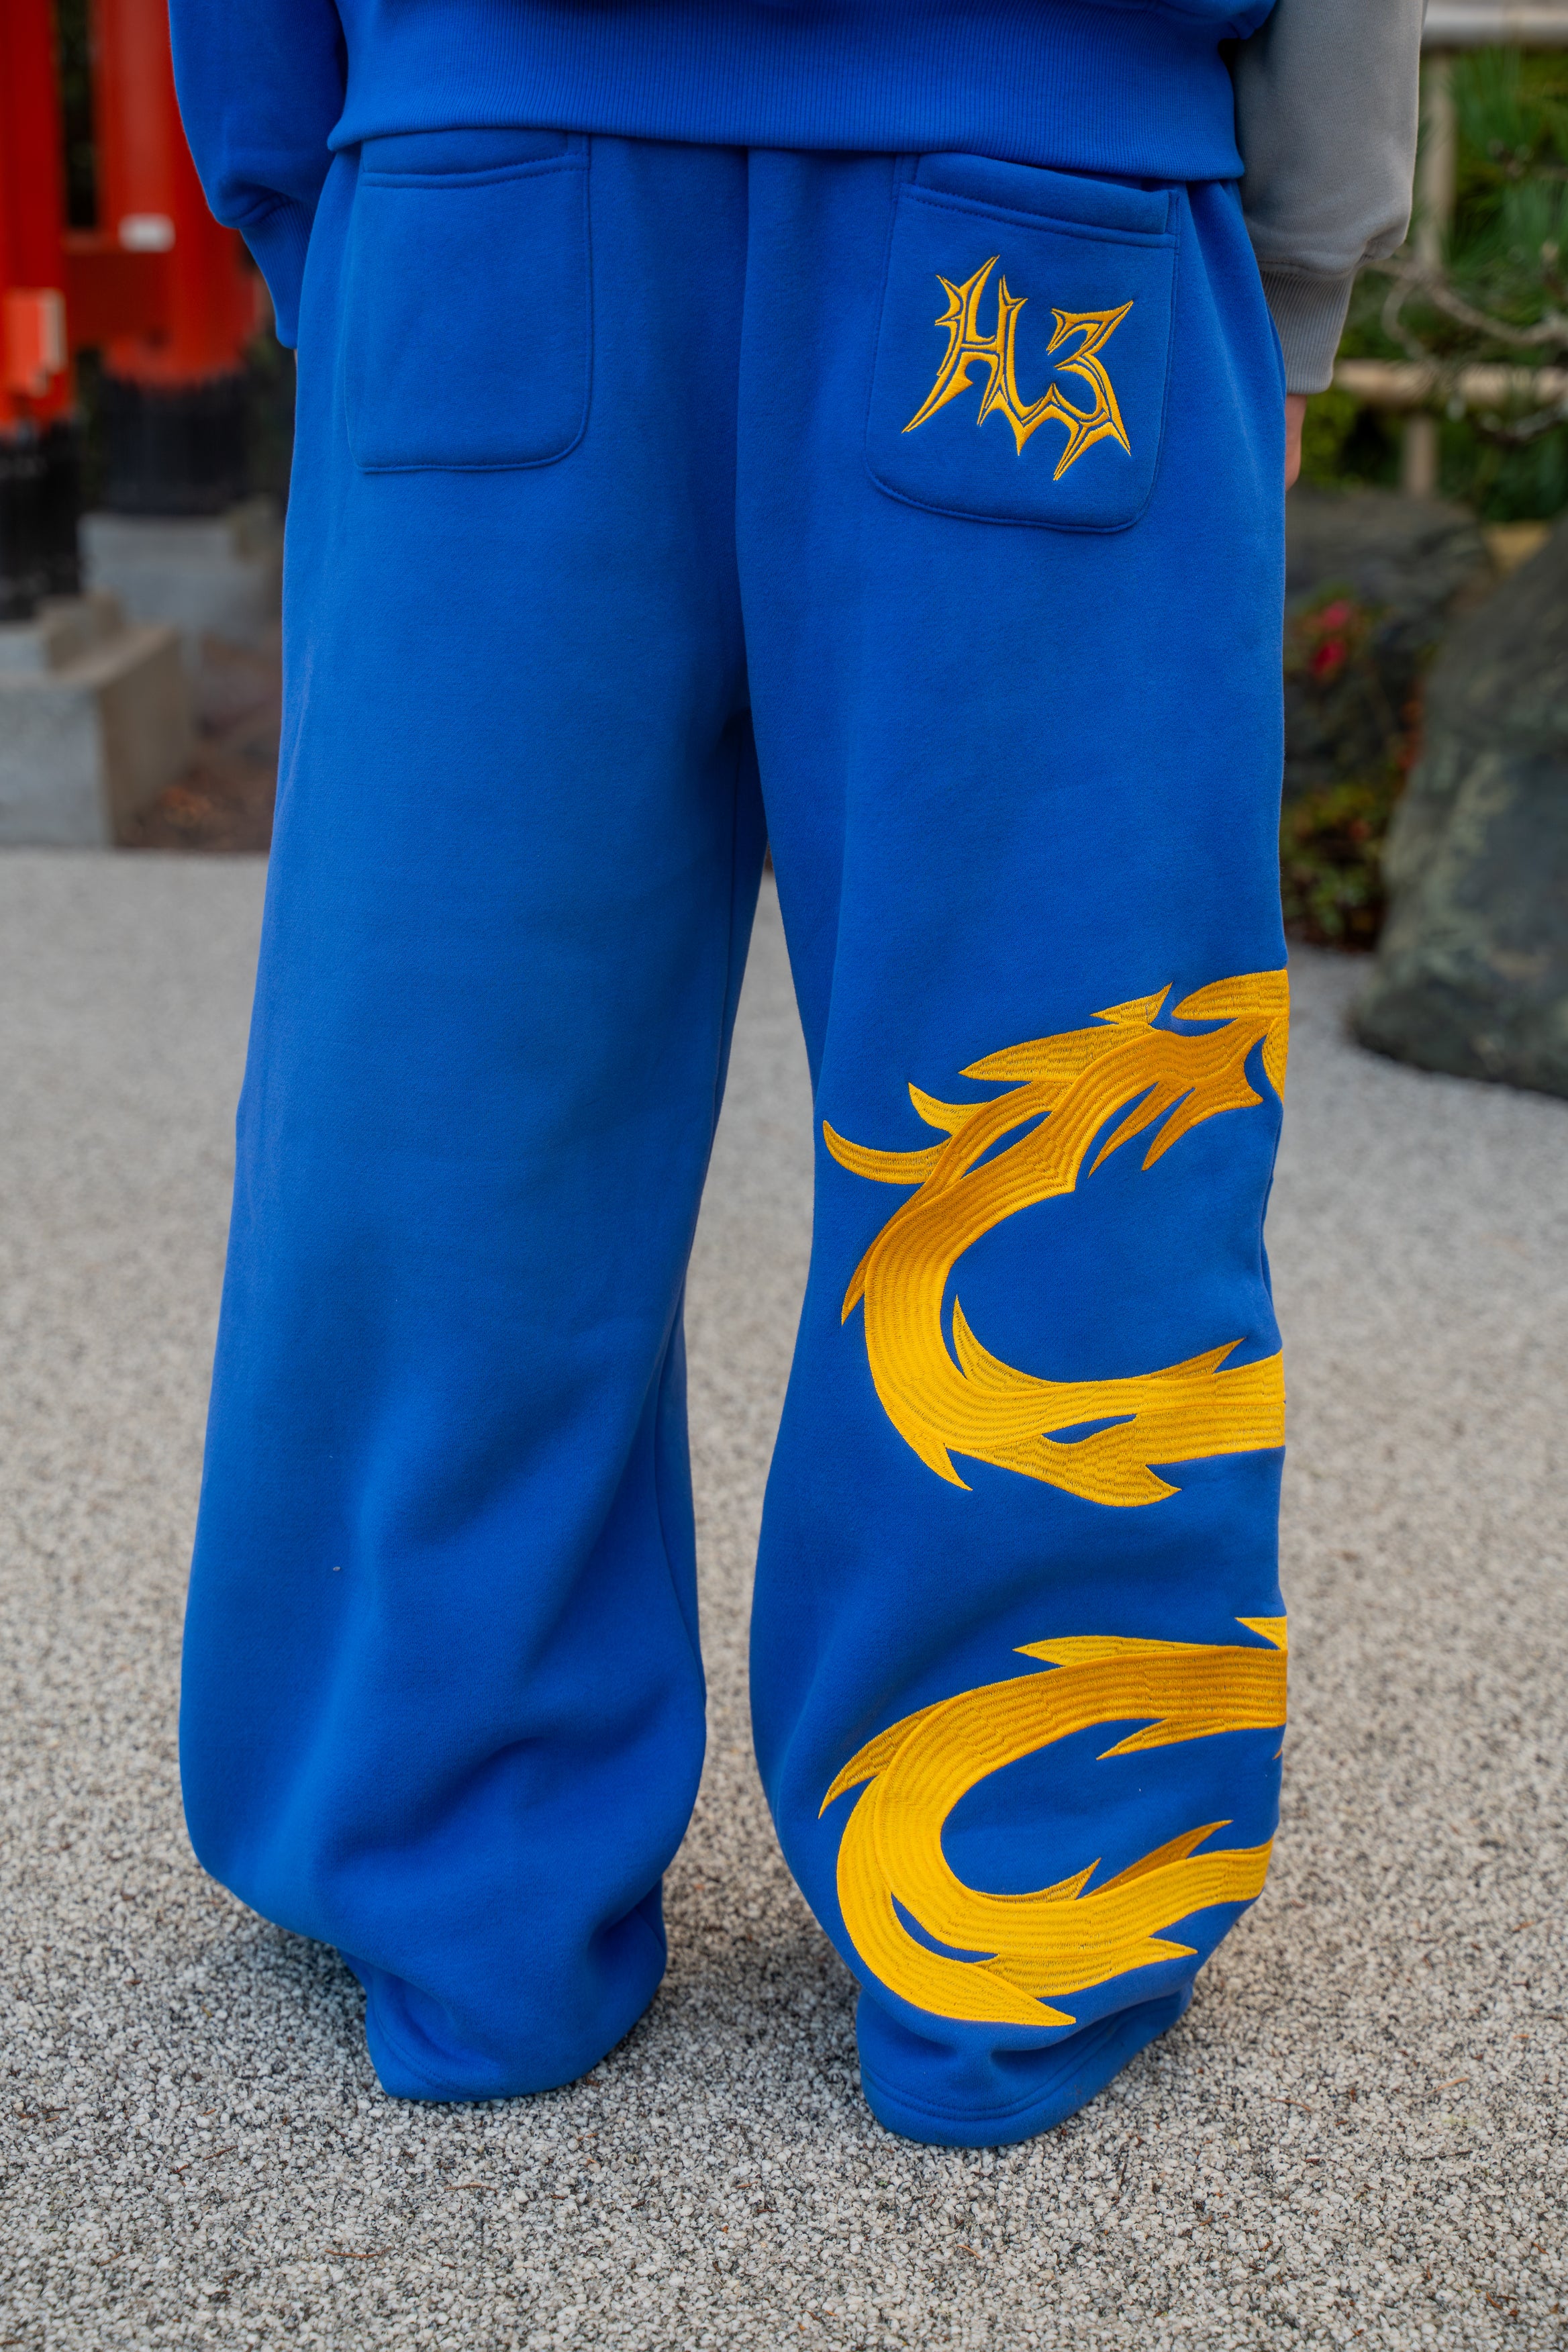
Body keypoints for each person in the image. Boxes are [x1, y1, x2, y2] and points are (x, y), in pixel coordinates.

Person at [170, 0, 1422, 2146]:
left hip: (481, 174)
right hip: (1050, 200)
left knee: (450, 1113)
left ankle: (455, 1884)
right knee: (1048, 1129)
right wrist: (1302, 251)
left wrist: (312, 169)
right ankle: (1019, 1906)